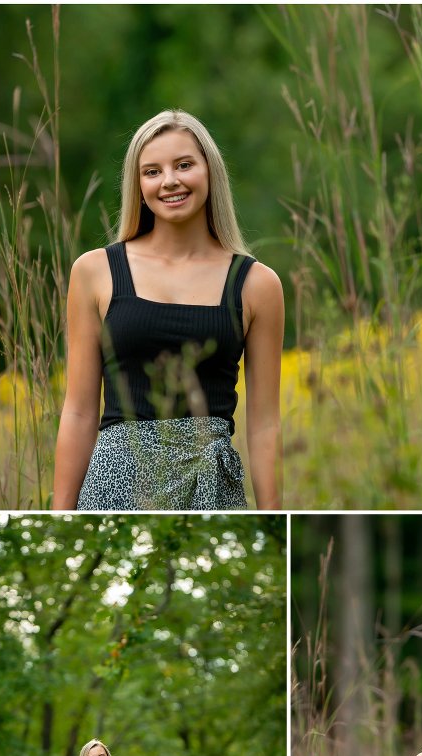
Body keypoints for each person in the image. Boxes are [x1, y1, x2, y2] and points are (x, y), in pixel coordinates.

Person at [53, 109, 283, 511]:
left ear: (209, 171)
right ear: (138, 186)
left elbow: (264, 424)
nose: (170, 181)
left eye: (183, 165)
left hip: (212, 485)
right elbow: (78, 410)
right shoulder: (95, 272)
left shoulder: (257, 284)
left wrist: (270, 515)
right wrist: (60, 515)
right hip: (117, 483)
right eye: (152, 171)